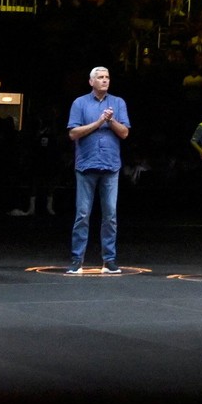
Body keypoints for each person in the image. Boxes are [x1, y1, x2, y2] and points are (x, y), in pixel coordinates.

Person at [67, 66, 130, 273]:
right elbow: (73, 133)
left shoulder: (118, 103)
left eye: (107, 77)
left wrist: (110, 120)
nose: (105, 80)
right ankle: (77, 260)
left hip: (111, 165)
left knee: (110, 215)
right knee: (82, 214)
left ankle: (109, 260)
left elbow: (124, 133)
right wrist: (99, 121)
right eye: (100, 77)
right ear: (91, 81)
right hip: (86, 164)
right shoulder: (80, 102)